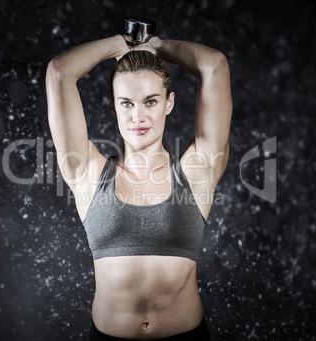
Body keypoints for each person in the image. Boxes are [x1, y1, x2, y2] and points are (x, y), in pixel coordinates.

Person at [45, 33, 232, 340]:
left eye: (151, 101)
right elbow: (59, 71)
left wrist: (159, 47)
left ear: (169, 102)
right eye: (127, 103)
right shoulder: (87, 172)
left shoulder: (198, 170)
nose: (138, 116)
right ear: (114, 107)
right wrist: (115, 46)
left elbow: (215, 65)